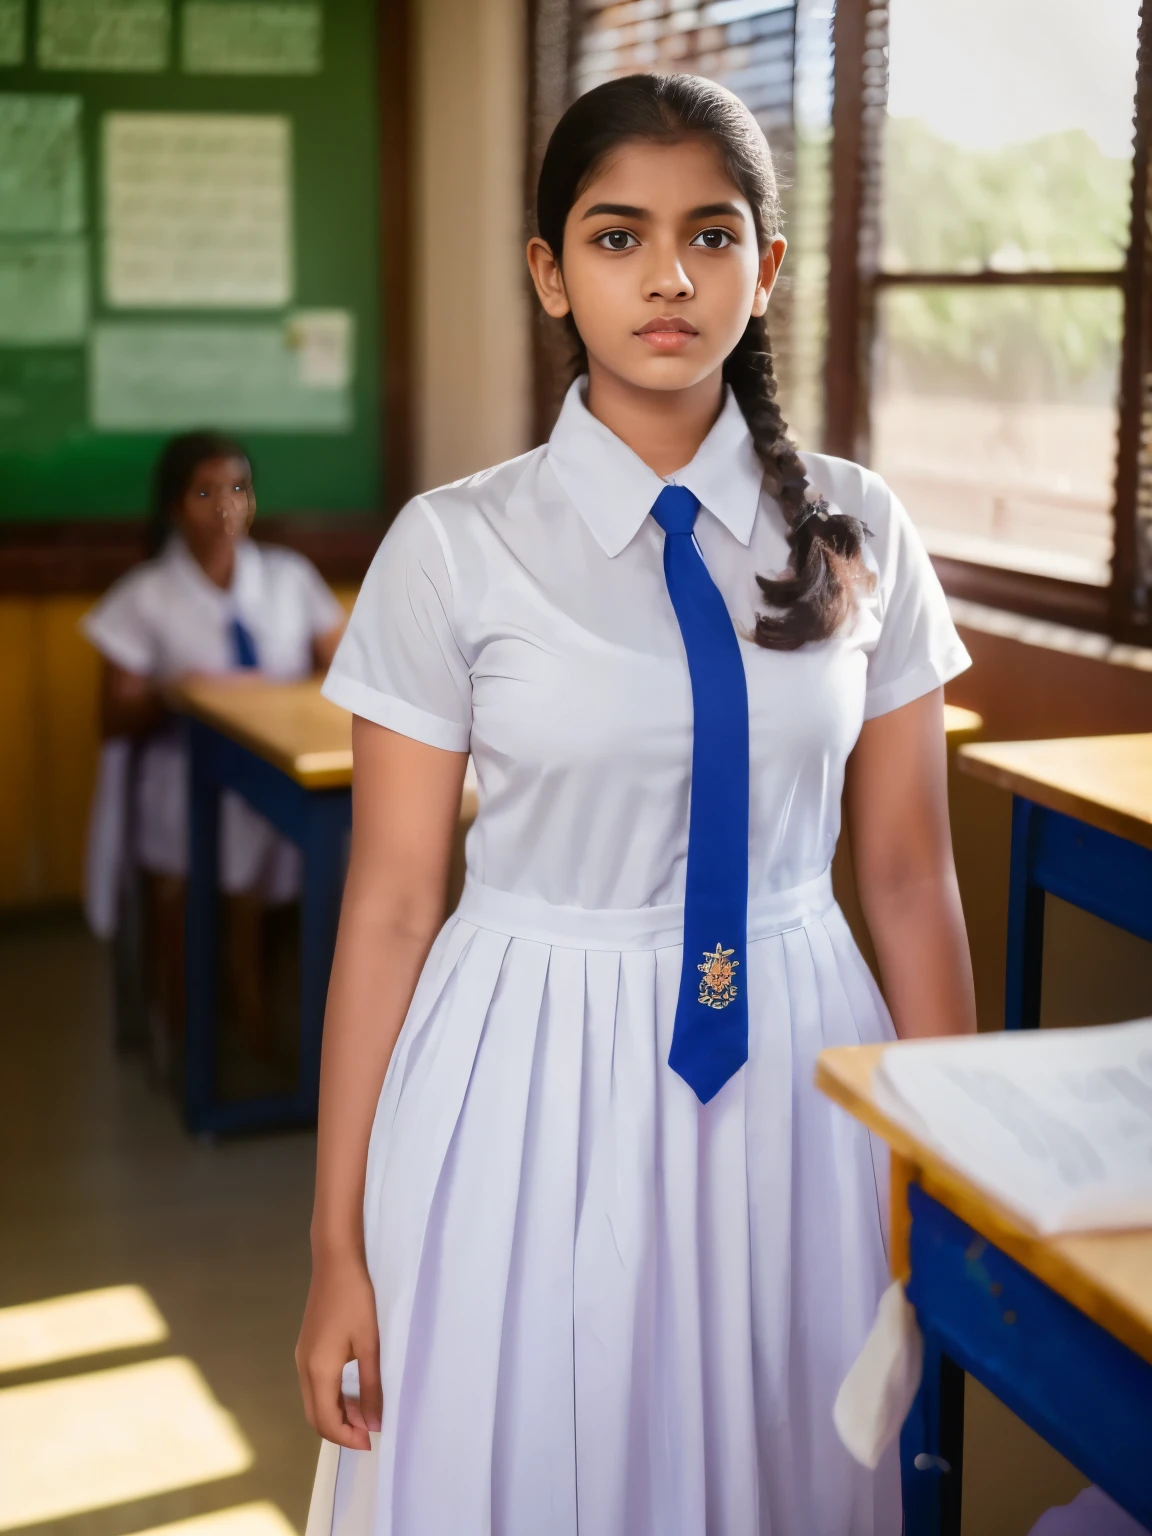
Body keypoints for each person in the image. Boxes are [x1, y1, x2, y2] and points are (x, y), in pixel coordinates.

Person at [297, 74, 977, 1536]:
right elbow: (394, 901)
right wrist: (334, 1241)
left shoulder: (861, 530)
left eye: (712, 235)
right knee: (527, 1457)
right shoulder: (455, 546)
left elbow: (913, 877)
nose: (669, 277)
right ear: (550, 270)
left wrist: (955, 1167)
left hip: (806, 1063)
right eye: (616, 238)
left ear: (766, 267)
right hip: (523, 1067)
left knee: (797, 1460)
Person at [82, 430, 347, 1068]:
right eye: (204, 492)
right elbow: (113, 719)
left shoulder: (289, 578)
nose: (225, 507)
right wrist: (173, 692)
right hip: (186, 780)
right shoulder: (145, 594)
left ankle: (277, 1032)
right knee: (193, 915)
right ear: (174, 507)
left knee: (314, 886)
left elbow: (346, 672)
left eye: (238, 488)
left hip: (285, 773)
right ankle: (194, 1042)